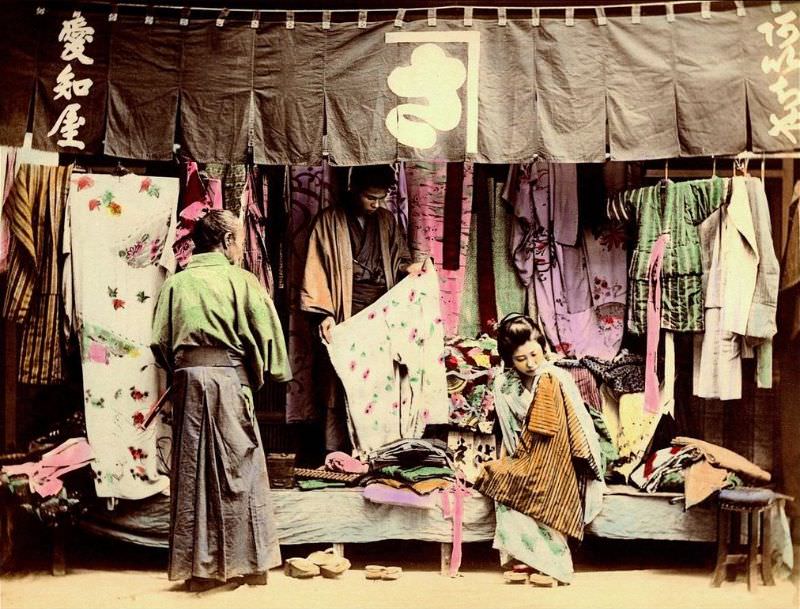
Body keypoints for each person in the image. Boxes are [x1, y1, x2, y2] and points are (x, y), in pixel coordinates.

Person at [151, 209, 292, 592]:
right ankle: (250, 566)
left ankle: (198, 572)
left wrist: (186, 370)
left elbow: (159, 343)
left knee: (192, 474)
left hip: (188, 386)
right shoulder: (241, 281)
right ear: (227, 241)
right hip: (228, 383)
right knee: (239, 470)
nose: (243, 245)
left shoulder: (176, 285)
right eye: (240, 238)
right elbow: (269, 337)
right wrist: (270, 374)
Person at [300, 165, 427, 452]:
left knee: (378, 382)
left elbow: (397, 262)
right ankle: (338, 453)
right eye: (371, 197)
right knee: (340, 383)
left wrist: (412, 268)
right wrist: (325, 314)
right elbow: (316, 269)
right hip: (344, 311)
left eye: (381, 198)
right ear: (353, 190)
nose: (376, 204)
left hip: (379, 313)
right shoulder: (328, 221)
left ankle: (377, 452)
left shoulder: (385, 220)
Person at [474, 314, 603, 586]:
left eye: (535, 353)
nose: (531, 363)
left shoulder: (555, 378)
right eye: (521, 359)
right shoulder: (504, 384)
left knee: (541, 484)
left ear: (543, 347)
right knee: (504, 481)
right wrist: (517, 462)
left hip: (561, 456)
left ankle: (552, 563)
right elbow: (510, 434)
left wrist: (538, 462)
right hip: (525, 452)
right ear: (510, 360)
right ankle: (524, 557)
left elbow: (573, 429)